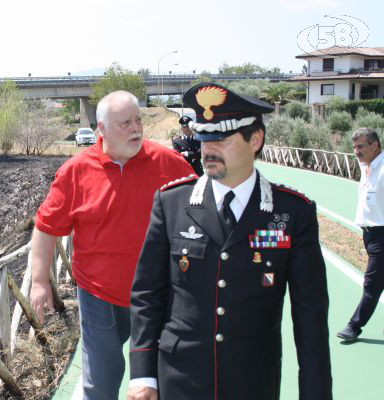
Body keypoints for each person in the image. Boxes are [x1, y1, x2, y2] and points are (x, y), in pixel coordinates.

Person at [128, 83, 332, 400]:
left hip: (252, 381)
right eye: (204, 137)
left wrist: (315, 392)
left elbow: (310, 316)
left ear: (255, 140)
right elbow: (147, 294)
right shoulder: (171, 204)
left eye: (221, 138)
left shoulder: (292, 213)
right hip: (179, 378)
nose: (208, 148)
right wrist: (142, 375)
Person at [29, 90, 194, 400]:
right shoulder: (76, 171)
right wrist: (39, 282)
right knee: (101, 382)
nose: (135, 128)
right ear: (101, 129)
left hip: (159, 292)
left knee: (159, 381)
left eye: (137, 120)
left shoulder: (169, 164)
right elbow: (46, 226)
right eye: (124, 123)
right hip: (99, 294)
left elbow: (200, 213)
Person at [337, 127, 384, 342]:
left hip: (382, 234)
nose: (355, 151)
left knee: (372, 283)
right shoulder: (365, 165)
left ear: (375, 145)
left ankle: (354, 326)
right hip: (369, 234)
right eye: (354, 146)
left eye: (360, 146)